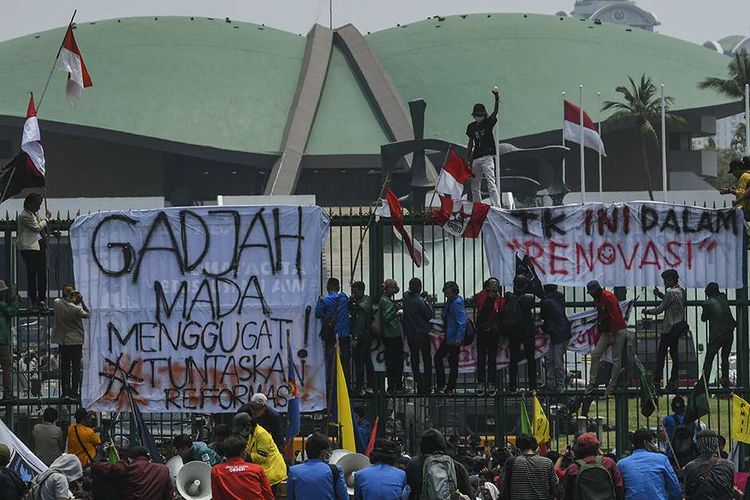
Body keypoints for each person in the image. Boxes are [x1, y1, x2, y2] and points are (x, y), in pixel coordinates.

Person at [643, 270, 686, 392]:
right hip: (678, 328)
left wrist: (647, 311)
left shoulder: (670, 293)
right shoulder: (681, 291)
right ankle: (673, 380)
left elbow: (661, 309)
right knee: (674, 355)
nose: (664, 283)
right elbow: (672, 303)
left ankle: (657, 380)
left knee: (661, 354)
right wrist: (660, 295)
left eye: (665, 280)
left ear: (671, 280)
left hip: (668, 328)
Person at [585, 281, 628, 396]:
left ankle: (612, 386)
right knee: (595, 354)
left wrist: (612, 332)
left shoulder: (608, 297)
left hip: (617, 330)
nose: (592, 295)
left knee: (616, 359)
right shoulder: (599, 298)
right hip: (608, 331)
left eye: (593, 292)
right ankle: (592, 383)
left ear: (598, 289)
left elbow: (615, 316)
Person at [405, 429, 473, 499]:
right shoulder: (457, 467)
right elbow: (469, 496)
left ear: (422, 447)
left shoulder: (413, 464)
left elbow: (405, 491)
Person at [616, 428, 681, 500]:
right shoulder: (661, 459)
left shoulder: (621, 464)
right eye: (654, 442)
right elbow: (674, 487)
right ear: (646, 443)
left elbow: (619, 489)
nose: (656, 445)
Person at [90, 446, 173, 500]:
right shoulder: (163, 469)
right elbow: (168, 495)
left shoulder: (126, 466)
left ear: (130, 459)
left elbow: (99, 467)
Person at [53, 284, 90, 400]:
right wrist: (80, 302)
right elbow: (87, 314)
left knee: (64, 368)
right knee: (76, 368)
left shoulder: (57, 303)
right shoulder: (77, 309)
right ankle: (74, 392)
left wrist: (73, 300)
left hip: (63, 340)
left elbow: (65, 303)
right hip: (76, 341)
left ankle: (65, 392)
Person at [466, 88, 501, 207]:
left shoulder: (488, 123)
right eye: (476, 115)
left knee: (491, 182)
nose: (478, 117)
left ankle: (496, 206)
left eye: (480, 115)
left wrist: (496, 98)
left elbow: (495, 112)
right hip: (476, 157)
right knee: (474, 185)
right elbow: (470, 142)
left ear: (484, 115)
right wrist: (468, 158)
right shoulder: (471, 127)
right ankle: (478, 207)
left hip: (487, 157)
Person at [287, 432, 347, 500]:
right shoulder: (335, 470)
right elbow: (344, 497)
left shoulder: (293, 471)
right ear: (323, 453)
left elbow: (290, 497)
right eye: (329, 451)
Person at [211, 435, 273, 500]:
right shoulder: (257, 470)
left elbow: (217, 497)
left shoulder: (216, 471)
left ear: (225, 454)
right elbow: (268, 495)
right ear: (243, 452)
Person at [563, 432, 624, 500]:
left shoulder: (573, 468)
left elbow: (567, 493)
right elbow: (619, 487)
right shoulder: (608, 463)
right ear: (597, 448)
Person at [501, 434, 561, 499]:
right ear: (536, 447)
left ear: (517, 447)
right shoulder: (547, 463)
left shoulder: (511, 462)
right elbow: (556, 490)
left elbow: (503, 484)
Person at [316, 277, 350, 390]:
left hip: (331, 335)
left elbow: (317, 313)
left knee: (330, 361)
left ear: (328, 287)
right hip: (344, 334)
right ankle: (345, 386)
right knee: (345, 361)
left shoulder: (325, 300)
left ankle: (331, 385)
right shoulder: (344, 298)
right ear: (338, 287)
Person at [682, 430, 738, 500]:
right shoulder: (729, 465)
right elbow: (731, 489)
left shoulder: (689, 467)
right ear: (715, 444)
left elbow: (687, 492)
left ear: (698, 445)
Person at [402, 278, 435, 395]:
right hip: (422, 334)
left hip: (410, 334)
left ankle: (419, 385)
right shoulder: (420, 301)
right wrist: (427, 301)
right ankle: (427, 386)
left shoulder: (406, 298)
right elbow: (429, 314)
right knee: (427, 360)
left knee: (414, 360)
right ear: (419, 287)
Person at [505, 276, 537, 393]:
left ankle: (512, 385)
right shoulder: (528, 299)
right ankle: (533, 386)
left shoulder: (509, 297)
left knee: (513, 359)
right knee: (531, 359)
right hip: (527, 331)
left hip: (513, 332)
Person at [472, 278, 504, 396]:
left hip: (494, 331)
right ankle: (481, 382)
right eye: (492, 283)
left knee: (492, 358)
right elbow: (473, 300)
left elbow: (501, 314)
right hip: (482, 329)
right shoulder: (481, 296)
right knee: (481, 357)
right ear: (487, 286)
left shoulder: (500, 300)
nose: (495, 285)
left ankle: (491, 383)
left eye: (496, 283)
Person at [701, 282, 737, 387]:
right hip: (729, 332)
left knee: (709, 358)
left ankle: (704, 381)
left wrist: (704, 306)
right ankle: (725, 379)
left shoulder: (708, 303)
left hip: (717, 334)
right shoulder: (723, 298)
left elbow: (703, 319)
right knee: (725, 357)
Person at [435, 281, 466, 394]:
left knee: (442, 358)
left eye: (448, 293)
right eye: (446, 293)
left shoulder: (456, 303)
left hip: (453, 337)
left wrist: (459, 338)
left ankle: (445, 385)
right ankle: (448, 387)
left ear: (454, 292)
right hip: (450, 335)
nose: (447, 295)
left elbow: (462, 322)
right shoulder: (451, 301)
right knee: (451, 361)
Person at [540, 284, 571, 392]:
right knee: (554, 360)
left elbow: (543, 316)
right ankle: (557, 384)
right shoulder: (559, 298)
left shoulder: (546, 302)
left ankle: (554, 384)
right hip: (560, 333)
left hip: (556, 333)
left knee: (553, 360)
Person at [244, 416, 287, 488]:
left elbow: (262, 457)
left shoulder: (261, 434)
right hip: (264, 473)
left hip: (273, 473)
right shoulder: (251, 433)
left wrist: (247, 456)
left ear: (249, 425)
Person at [349, 281, 374, 396]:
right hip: (368, 336)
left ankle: (359, 387)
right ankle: (370, 385)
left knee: (359, 363)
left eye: (355, 292)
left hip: (361, 338)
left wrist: (355, 338)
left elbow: (359, 324)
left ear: (361, 290)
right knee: (368, 361)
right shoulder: (368, 301)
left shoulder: (361, 307)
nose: (353, 295)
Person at [380, 279, 405, 394]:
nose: (393, 291)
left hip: (391, 334)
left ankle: (392, 385)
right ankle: (396, 385)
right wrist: (396, 309)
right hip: (392, 335)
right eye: (392, 288)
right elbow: (386, 317)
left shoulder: (386, 300)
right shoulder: (385, 301)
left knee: (392, 362)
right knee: (396, 362)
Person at [662, 395, 698, 466]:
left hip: (672, 453)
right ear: (684, 406)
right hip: (689, 453)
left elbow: (661, 435)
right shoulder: (691, 420)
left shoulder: (667, 420)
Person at [0, 281, 19, 401]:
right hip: (2, 341)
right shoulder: (2, 304)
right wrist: (15, 301)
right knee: (7, 367)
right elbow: (12, 311)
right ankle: (7, 393)